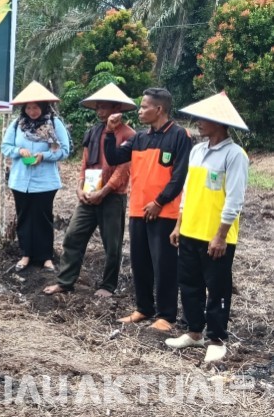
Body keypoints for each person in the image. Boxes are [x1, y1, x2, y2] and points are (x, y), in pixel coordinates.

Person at [165, 92, 249, 362]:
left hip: (216, 236)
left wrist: (221, 235)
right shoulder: (198, 151)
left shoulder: (235, 155)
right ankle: (194, 332)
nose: (198, 122)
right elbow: (188, 191)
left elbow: (235, 198)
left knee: (218, 286)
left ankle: (216, 337)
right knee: (189, 283)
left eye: (204, 119)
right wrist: (179, 224)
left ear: (220, 123)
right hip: (190, 230)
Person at [104, 87, 192, 331]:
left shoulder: (179, 136)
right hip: (138, 210)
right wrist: (110, 132)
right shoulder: (139, 138)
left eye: (144, 107)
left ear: (159, 109)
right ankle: (144, 308)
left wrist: (159, 202)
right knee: (140, 262)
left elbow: (180, 176)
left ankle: (166, 315)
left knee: (164, 265)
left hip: (163, 212)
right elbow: (113, 158)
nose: (140, 110)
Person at [43, 84, 136, 297]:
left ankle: (108, 286)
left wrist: (104, 192)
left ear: (117, 108)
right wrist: (78, 188)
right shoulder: (93, 132)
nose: (100, 112)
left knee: (112, 244)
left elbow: (123, 170)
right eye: (98, 107)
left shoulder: (128, 135)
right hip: (88, 194)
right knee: (73, 236)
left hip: (112, 197)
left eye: (105, 107)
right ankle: (65, 282)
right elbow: (85, 163)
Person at [0, 81, 70, 272]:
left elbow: (64, 150)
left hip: (45, 182)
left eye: (36, 107)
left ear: (44, 107)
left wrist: (44, 156)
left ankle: (45, 257)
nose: (32, 111)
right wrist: (18, 150)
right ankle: (26, 254)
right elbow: (5, 147)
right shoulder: (17, 125)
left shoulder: (54, 124)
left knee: (43, 218)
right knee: (24, 218)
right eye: (29, 107)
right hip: (20, 181)